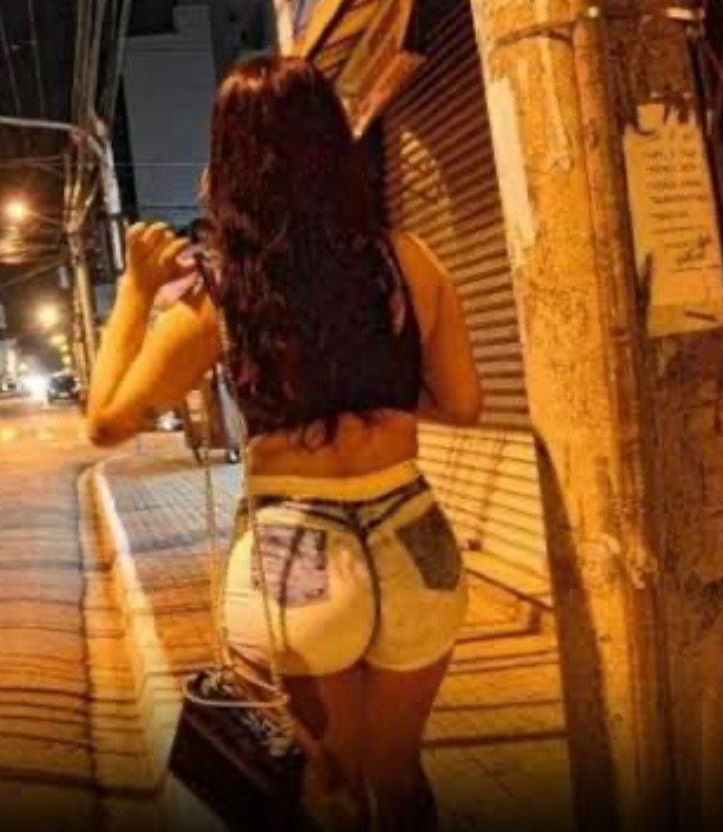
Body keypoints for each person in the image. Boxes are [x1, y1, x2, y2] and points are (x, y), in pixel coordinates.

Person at [86, 56, 481, 831]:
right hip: (415, 541)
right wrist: (369, 384)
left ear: (230, 163)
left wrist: (134, 293)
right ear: (337, 142)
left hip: (296, 555)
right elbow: (463, 405)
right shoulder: (409, 261)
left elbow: (106, 422)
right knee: (399, 778)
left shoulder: (222, 293)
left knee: (330, 789)